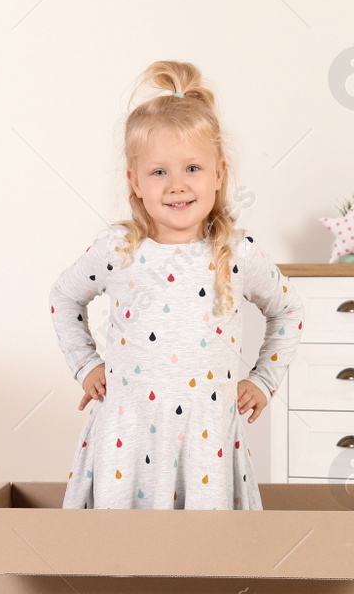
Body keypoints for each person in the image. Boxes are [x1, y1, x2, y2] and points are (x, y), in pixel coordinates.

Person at [50, 60, 303, 510]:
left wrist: (263, 380)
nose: (177, 185)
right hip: (126, 433)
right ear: (135, 181)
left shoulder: (237, 252)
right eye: (159, 172)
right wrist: (85, 365)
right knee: (121, 552)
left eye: (192, 168)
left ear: (219, 173)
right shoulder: (117, 250)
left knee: (203, 554)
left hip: (206, 441)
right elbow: (64, 297)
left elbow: (288, 310)